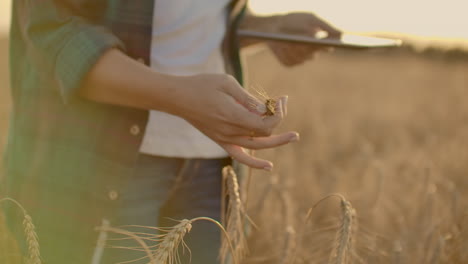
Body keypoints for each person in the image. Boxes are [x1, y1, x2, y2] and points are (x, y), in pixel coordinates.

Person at [1, 0, 340, 263]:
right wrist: (181, 99)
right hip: (101, 157)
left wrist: (269, 27)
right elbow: (55, 31)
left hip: (213, 167)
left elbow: (193, 20)